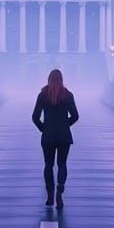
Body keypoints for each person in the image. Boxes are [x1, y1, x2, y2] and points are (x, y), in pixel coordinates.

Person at [31, 68, 79, 208]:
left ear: (49, 79)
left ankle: (50, 195)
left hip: (48, 136)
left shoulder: (42, 95)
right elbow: (75, 116)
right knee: (62, 164)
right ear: (61, 79)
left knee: (48, 165)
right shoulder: (68, 95)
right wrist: (65, 124)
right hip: (64, 136)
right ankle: (60, 189)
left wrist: (43, 128)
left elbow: (35, 117)